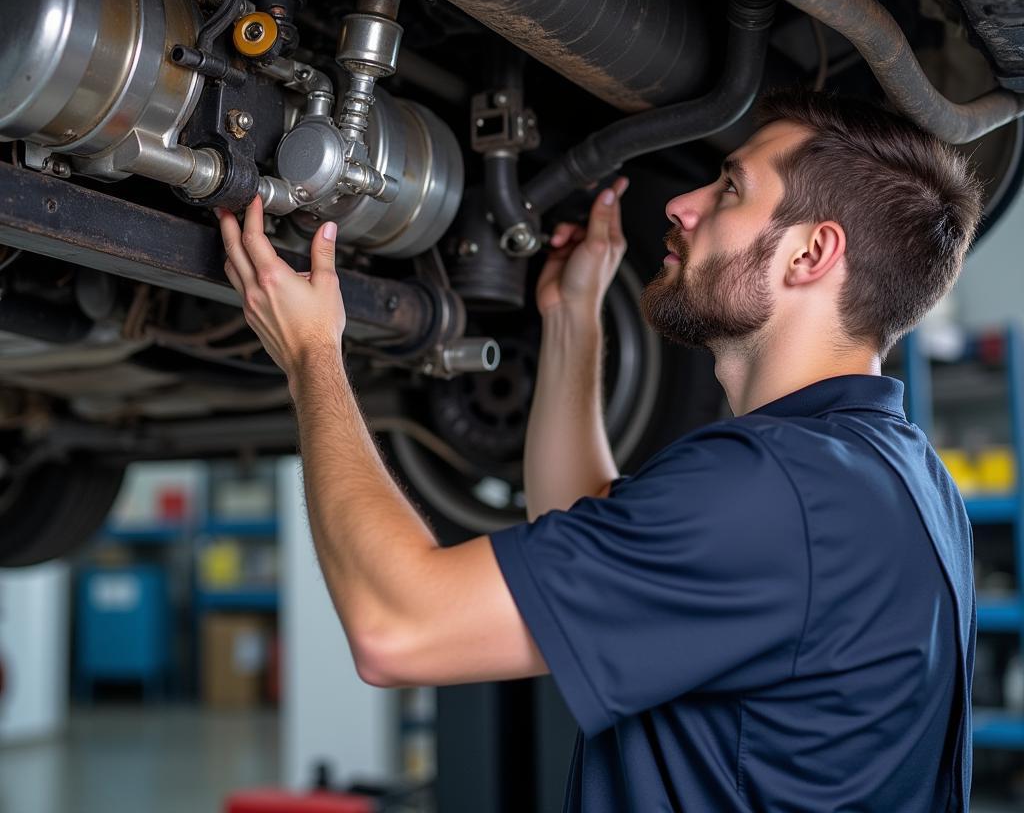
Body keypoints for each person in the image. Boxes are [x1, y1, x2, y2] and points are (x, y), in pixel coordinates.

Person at [218, 87, 983, 812]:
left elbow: (398, 629)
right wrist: (573, 316)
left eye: (729, 192)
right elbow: (592, 541)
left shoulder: (775, 487)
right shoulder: (901, 479)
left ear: (811, 253)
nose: (681, 206)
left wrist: (314, 355)